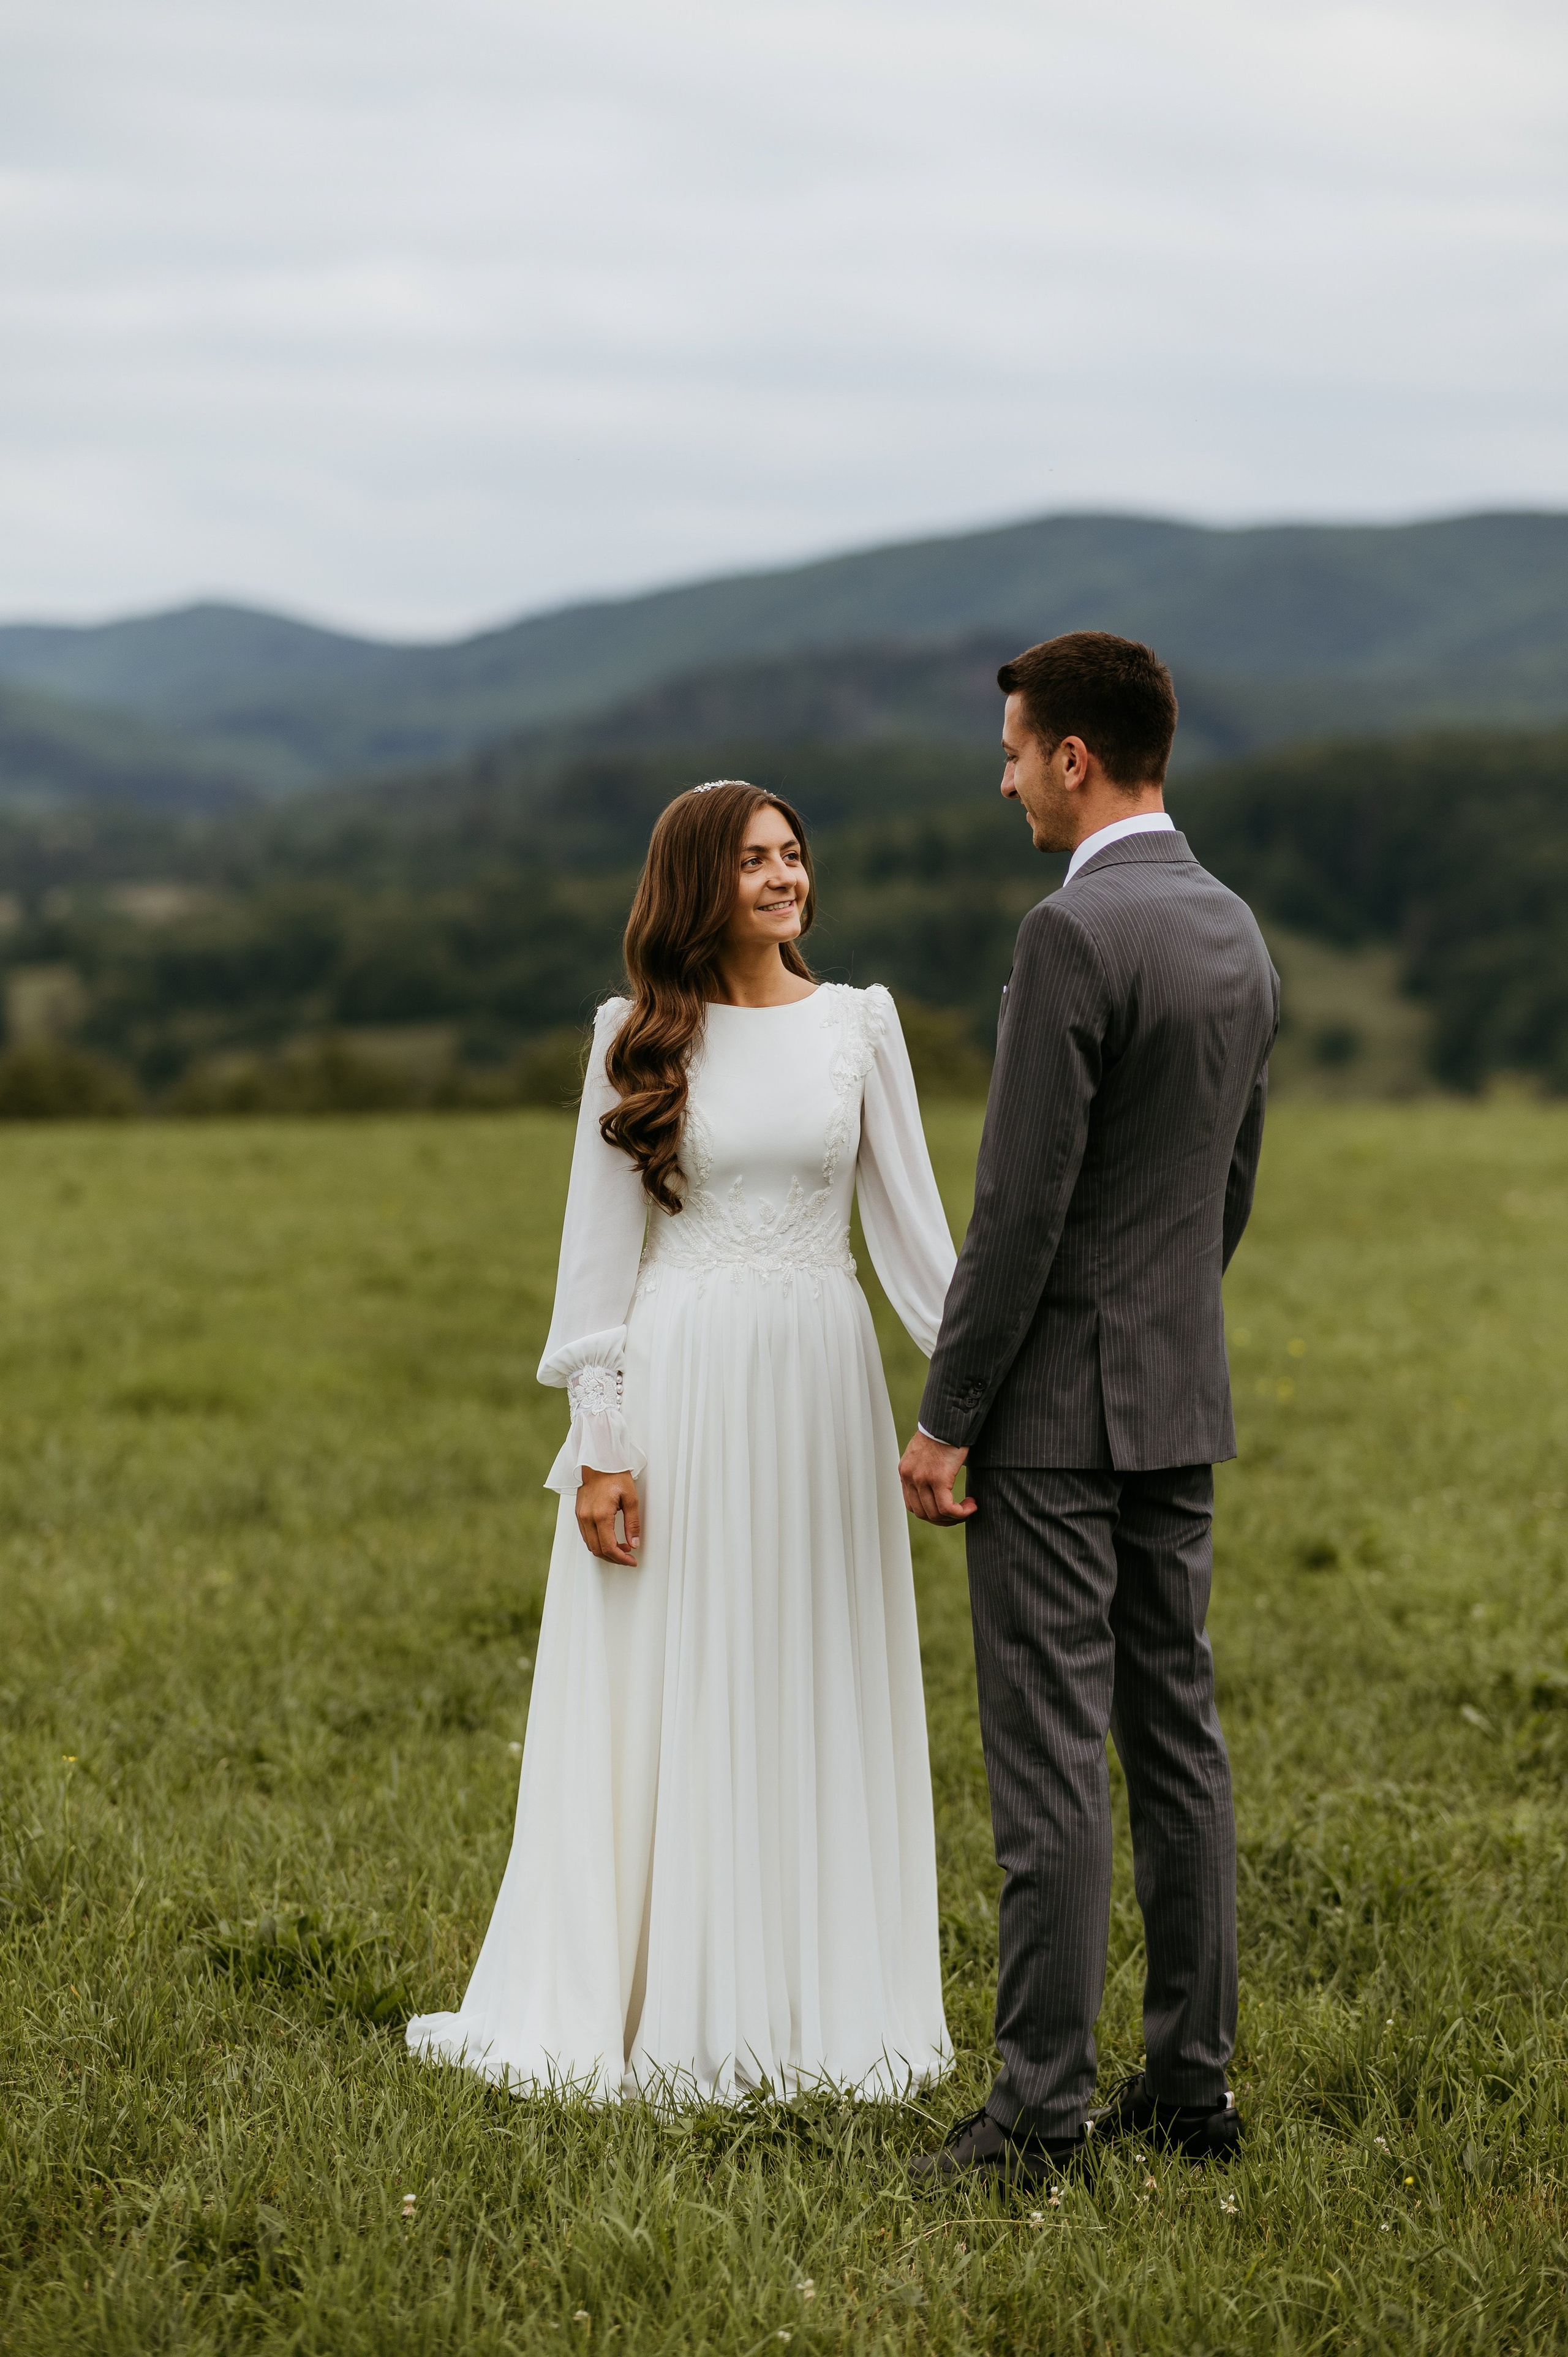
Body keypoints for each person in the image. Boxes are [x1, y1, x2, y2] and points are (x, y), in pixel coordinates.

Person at [408, 779, 956, 2102]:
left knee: (805, 1664)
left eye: (793, 856)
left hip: (820, 1387)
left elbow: (918, 1244)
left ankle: (821, 2004)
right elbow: (594, 1266)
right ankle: (657, 1995)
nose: (783, 878)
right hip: (679, 1388)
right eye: (754, 861)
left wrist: (977, 1395)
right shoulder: (633, 1038)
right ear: (695, 884)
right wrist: (600, 1444)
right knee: (672, 1680)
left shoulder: (859, 1027)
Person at [900, 632, 1278, 2186]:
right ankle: (1190, 2090)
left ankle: (1035, 2114)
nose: (1000, 777)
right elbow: (1227, 1191)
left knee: (1048, 1759)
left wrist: (945, 1415)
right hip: (1178, 1393)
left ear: (1073, 758)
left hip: (1050, 1415)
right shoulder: (1232, 927)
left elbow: (1016, 1210)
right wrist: (1165, 1331)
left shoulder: (1071, 935)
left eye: (1011, 749)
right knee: (1175, 1741)